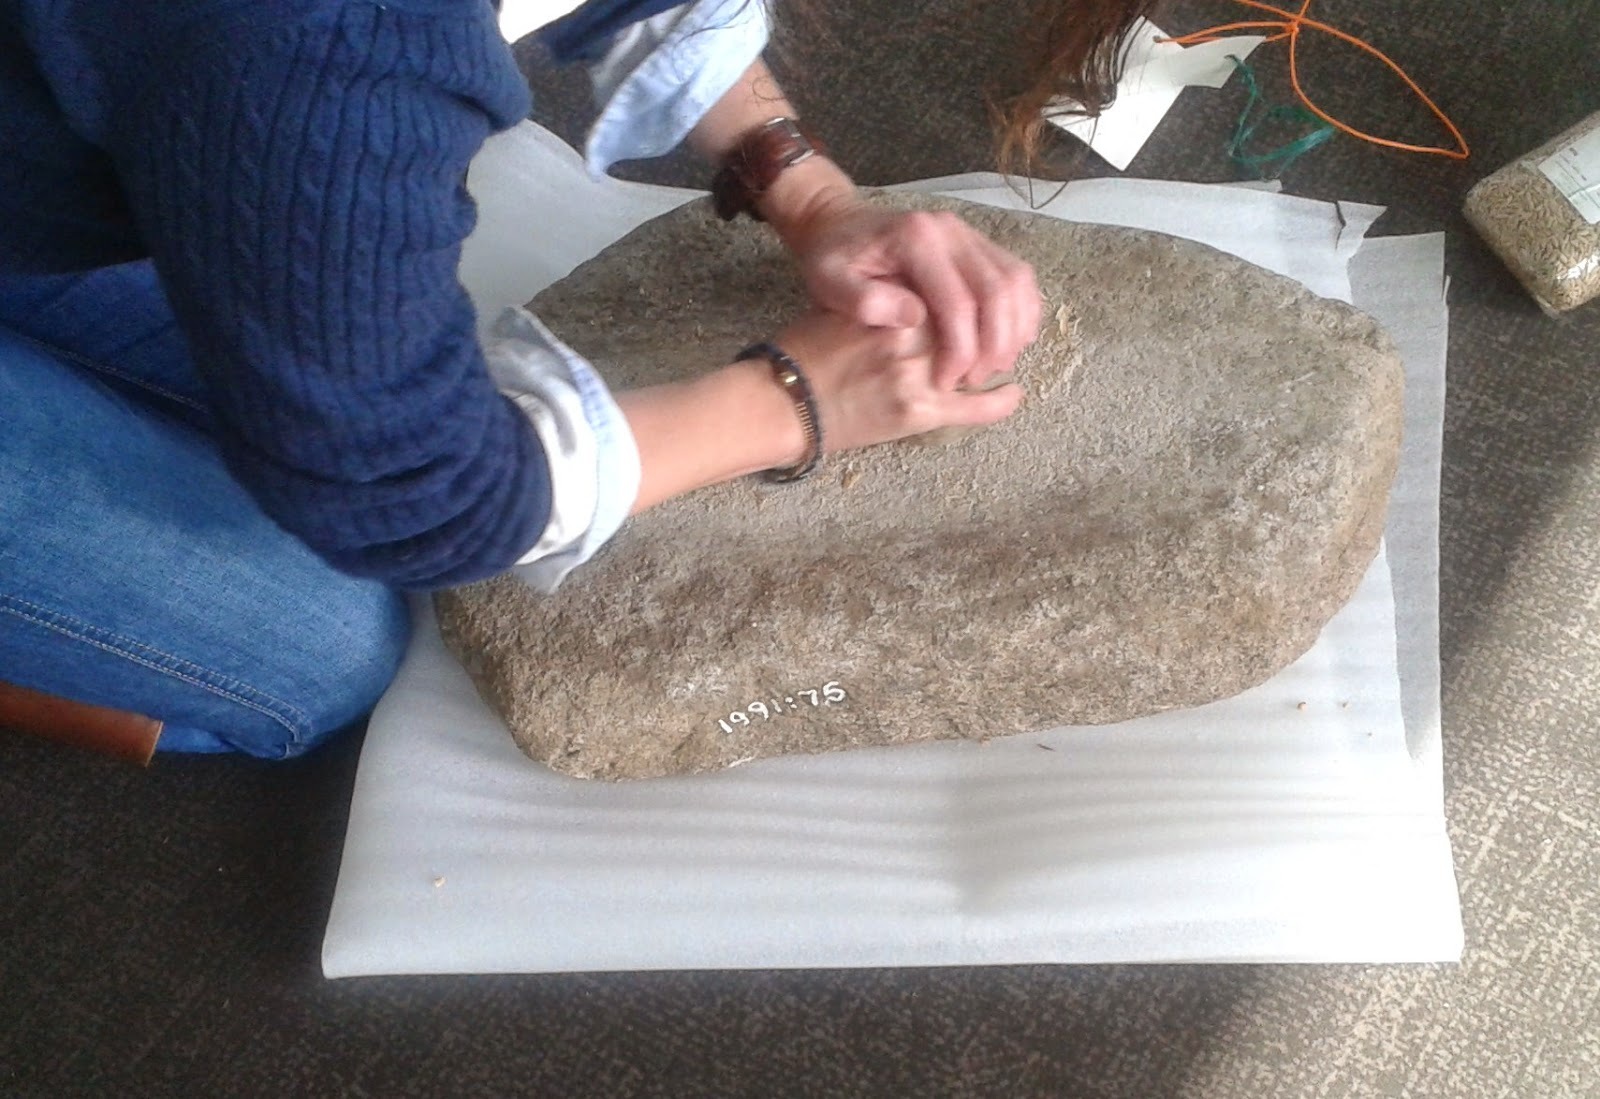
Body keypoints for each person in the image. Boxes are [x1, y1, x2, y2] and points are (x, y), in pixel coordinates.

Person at [0, 0, 1149, 762]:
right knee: (324, 652)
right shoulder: (333, 43)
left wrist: (802, 187)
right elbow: (414, 492)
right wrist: (789, 400)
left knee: (298, 384)